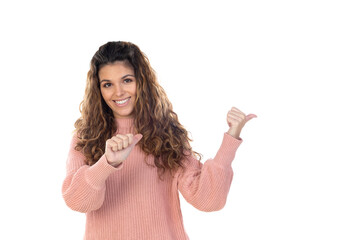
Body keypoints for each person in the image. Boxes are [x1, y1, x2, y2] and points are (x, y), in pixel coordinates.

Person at [61, 41, 257, 240]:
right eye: (108, 84)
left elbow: (207, 200)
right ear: (98, 90)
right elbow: (77, 202)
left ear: (142, 81)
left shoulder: (166, 135)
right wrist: (107, 163)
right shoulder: (86, 137)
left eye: (127, 80)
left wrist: (230, 138)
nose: (118, 92)